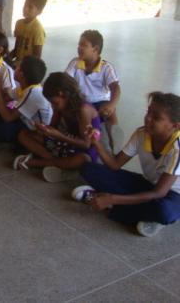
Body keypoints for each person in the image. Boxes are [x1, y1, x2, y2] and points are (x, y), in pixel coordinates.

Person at [73, 92, 180, 238]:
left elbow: (159, 193)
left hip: (172, 195)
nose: (148, 118)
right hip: (148, 184)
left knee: (164, 211)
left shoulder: (177, 149)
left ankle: (112, 204)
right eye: (149, 112)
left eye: (156, 118)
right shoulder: (142, 134)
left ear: (175, 126)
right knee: (89, 168)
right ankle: (140, 213)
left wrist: (112, 199)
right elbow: (115, 165)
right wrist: (96, 143)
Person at [13, 72, 102, 183]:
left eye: (54, 103)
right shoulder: (61, 106)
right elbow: (52, 127)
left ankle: (34, 163)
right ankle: (59, 164)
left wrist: (59, 136)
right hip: (65, 144)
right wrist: (43, 129)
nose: (52, 106)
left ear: (63, 94)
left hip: (82, 149)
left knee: (82, 160)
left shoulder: (83, 110)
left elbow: (86, 144)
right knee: (24, 134)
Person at [65, 29, 123, 151]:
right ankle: (87, 139)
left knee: (111, 111)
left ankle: (114, 139)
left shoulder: (106, 67)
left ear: (95, 49)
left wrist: (112, 104)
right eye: (79, 45)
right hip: (82, 102)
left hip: (101, 103)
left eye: (84, 45)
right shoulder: (75, 63)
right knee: (80, 110)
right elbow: (66, 81)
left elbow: (115, 88)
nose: (79, 48)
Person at [0, 56, 52, 144]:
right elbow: (6, 96)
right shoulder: (24, 87)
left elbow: (8, 118)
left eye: (17, 68)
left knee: (3, 129)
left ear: (22, 74)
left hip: (32, 131)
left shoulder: (33, 93)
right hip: (21, 121)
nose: (15, 68)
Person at [10, 0, 47, 65]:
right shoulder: (19, 23)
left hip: (28, 66)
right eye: (25, 5)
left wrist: (22, 66)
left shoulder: (38, 29)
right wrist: (7, 58)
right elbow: (17, 48)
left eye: (30, 7)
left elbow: (37, 57)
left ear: (39, 12)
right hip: (17, 63)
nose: (25, 9)